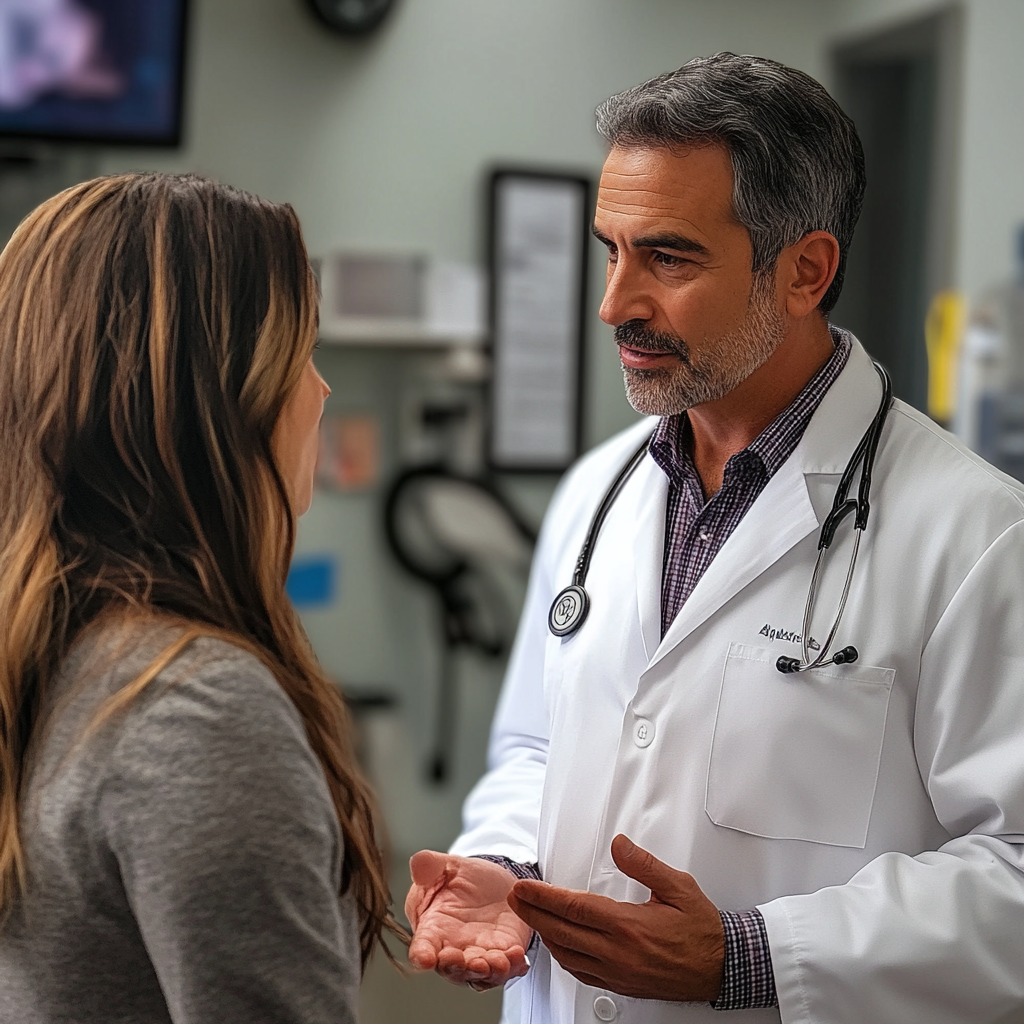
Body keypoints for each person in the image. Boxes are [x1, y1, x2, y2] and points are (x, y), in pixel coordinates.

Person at [404, 53, 1024, 1024]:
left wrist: (750, 958)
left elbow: (1014, 875)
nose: (614, 304)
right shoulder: (594, 495)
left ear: (803, 271)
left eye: (667, 257)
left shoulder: (977, 536)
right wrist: (502, 861)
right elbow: (536, 742)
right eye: (610, 250)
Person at [0, 173, 401, 1024]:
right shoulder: (193, 709)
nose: (320, 391)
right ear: (213, 402)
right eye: (302, 353)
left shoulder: (46, 655)